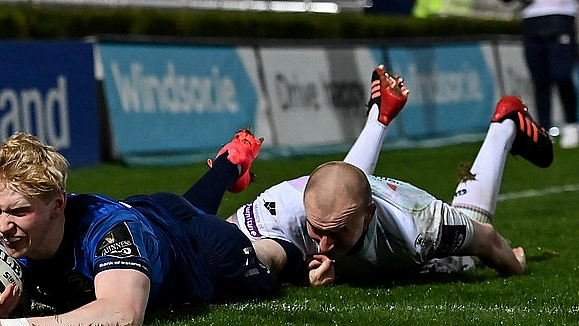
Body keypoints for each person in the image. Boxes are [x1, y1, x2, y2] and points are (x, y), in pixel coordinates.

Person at [0, 128, 272, 326]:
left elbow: (122, 314)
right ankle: (230, 162)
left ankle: (232, 165)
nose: (2, 226)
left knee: (279, 260)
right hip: (151, 218)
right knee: (194, 206)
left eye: (19, 211)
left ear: (58, 205)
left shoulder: (107, 230)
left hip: (197, 252)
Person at [218, 66, 554, 286]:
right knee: (344, 187)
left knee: (463, 258)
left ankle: (506, 124)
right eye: (316, 230)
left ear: (369, 215)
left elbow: (488, 239)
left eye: (336, 233)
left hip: (403, 205)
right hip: (344, 194)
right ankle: (380, 114)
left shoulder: (420, 227)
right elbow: (223, 239)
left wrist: (517, 266)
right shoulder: (284, 205)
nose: (324, 244)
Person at [503, 0, 579, 148]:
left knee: (562, 75)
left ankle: (571, 124)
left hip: (561, 17)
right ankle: (544, 129)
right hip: (532, 20)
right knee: (540, 80)